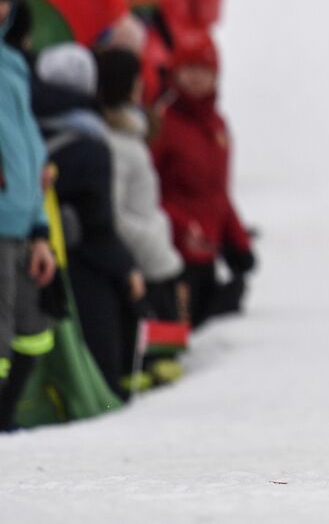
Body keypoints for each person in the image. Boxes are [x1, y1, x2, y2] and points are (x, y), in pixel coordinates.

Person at [33, 41, 144, 399]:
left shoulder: (24, 127)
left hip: (25, 261)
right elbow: (98, 226)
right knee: (93, 379)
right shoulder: (90, 144)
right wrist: (127, 268)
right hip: (80, 274)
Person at [96, 47, 187, 387]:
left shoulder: (131, 132)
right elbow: (116, 211)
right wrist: (150, 239)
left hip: (153, 254)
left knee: (167, 359)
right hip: (144, 259)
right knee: (150, 366)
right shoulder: (115, 142)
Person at [151, 31, 254, 327]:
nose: (196, 78)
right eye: (188, 69)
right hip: (173, 257)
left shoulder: (217, 126)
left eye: (204, 70)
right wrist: (183, 228)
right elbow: (148, 194)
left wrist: (238, 242)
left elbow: (219, 194)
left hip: (207, 257)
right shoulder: (162, 124)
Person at [0, 0, 56, 430]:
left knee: (32, 334)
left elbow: (30, 150)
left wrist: (40, 229)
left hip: (22, 222)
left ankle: (7, 418)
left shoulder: (13, 63)